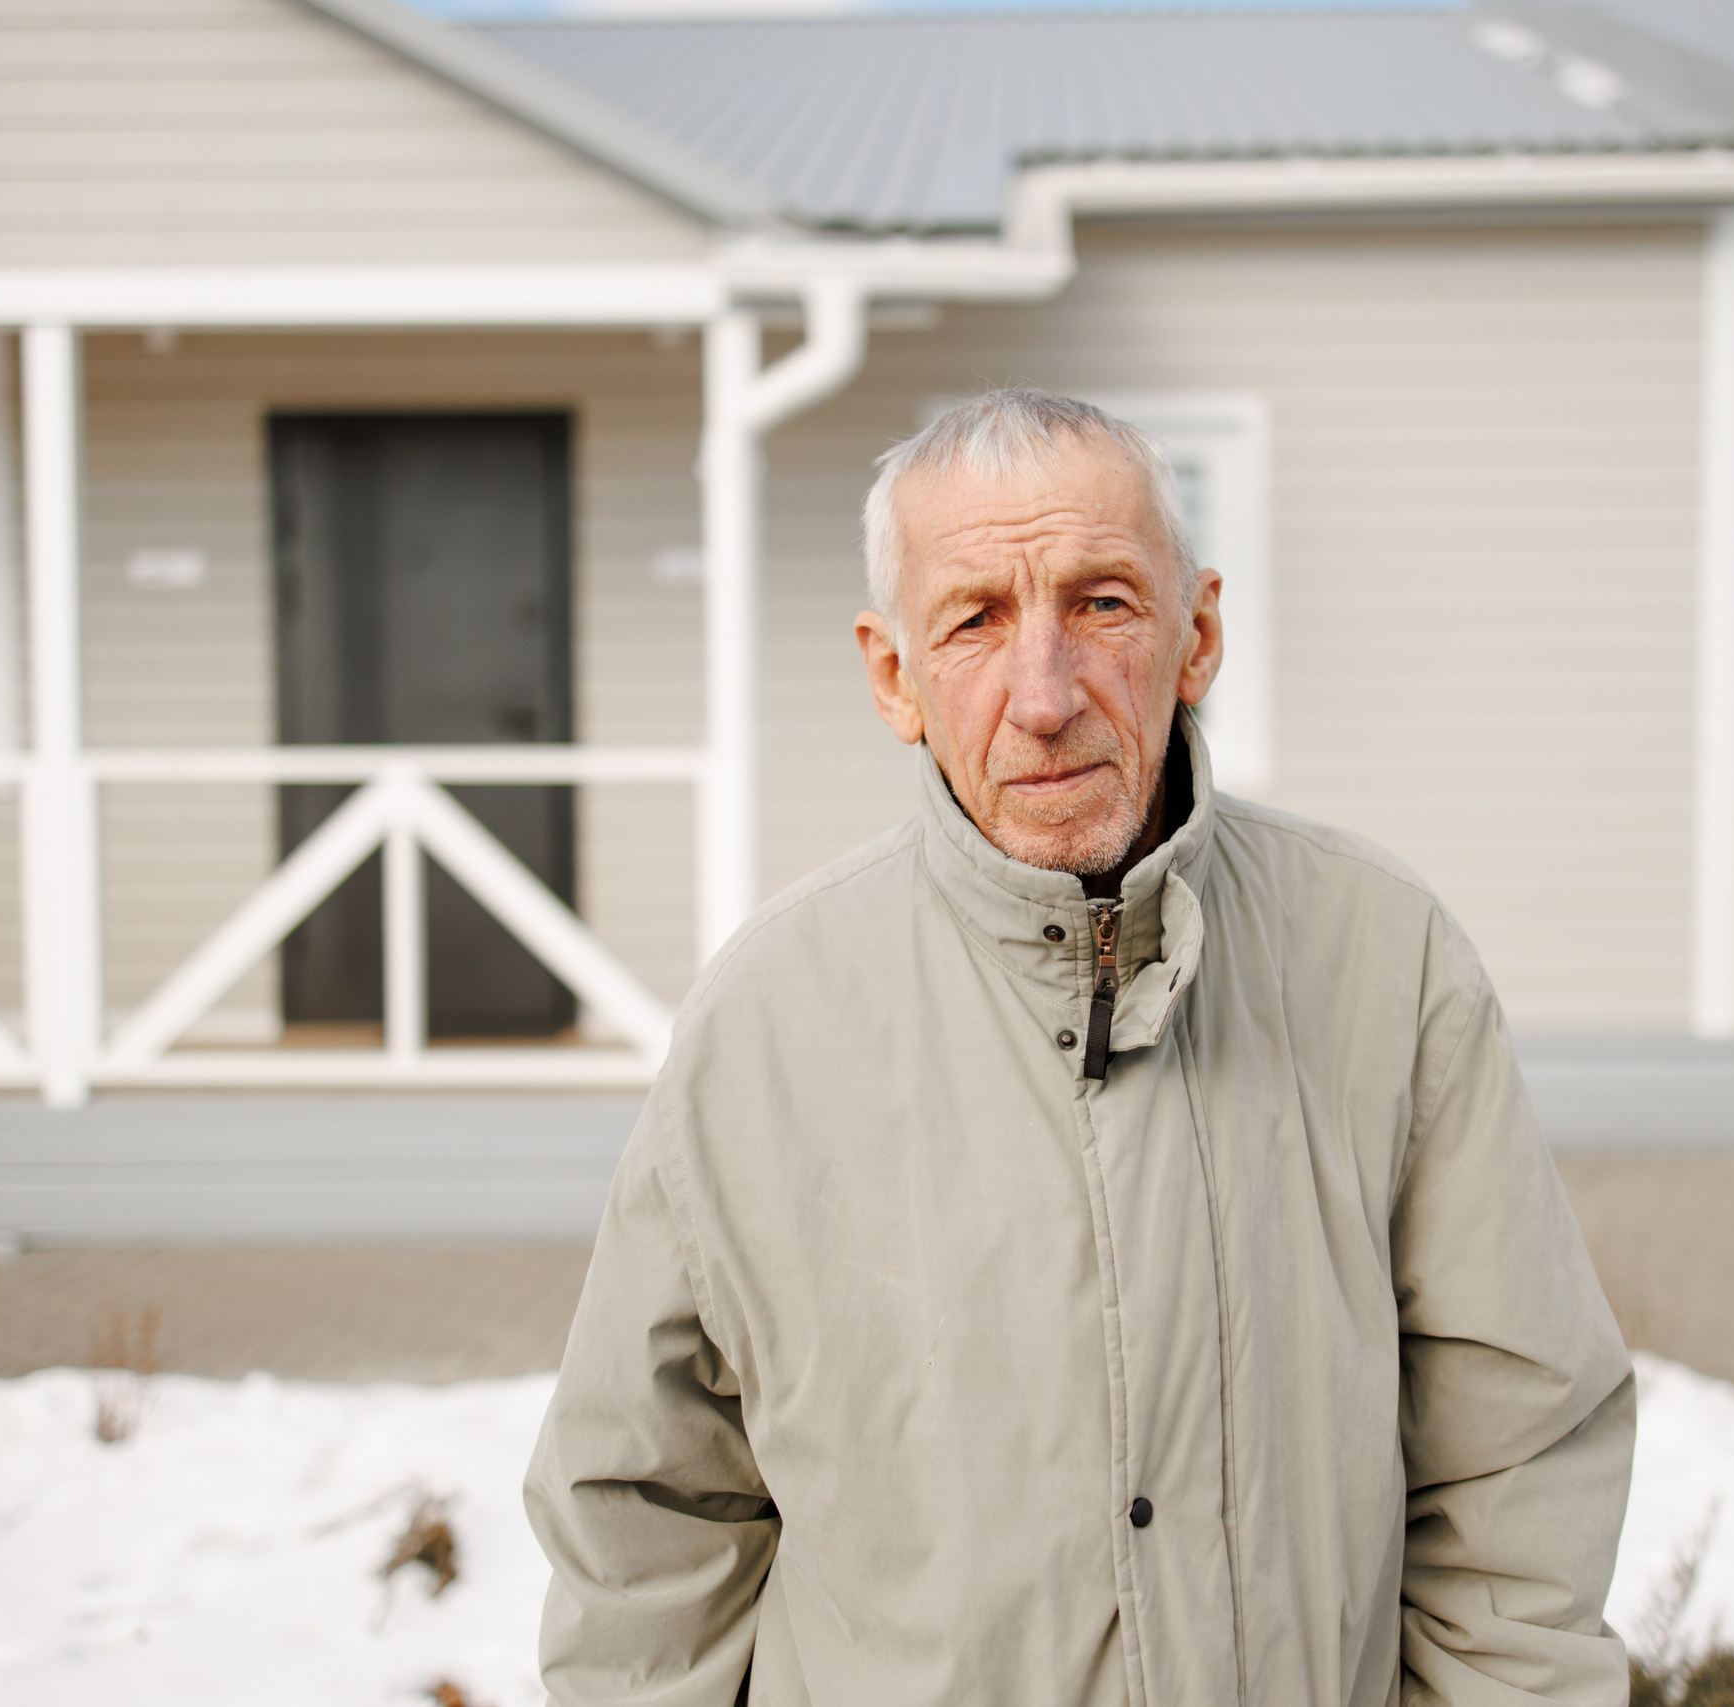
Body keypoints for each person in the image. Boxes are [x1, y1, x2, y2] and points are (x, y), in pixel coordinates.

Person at [524, 388, 1634, 1705]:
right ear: (895, 677)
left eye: (1101, 604)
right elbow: (646, 1532)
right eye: (975, 621)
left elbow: (1517, 1473)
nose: (1045, 696)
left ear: (1196, 635)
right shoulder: (763, 1023)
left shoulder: (1386, 961)